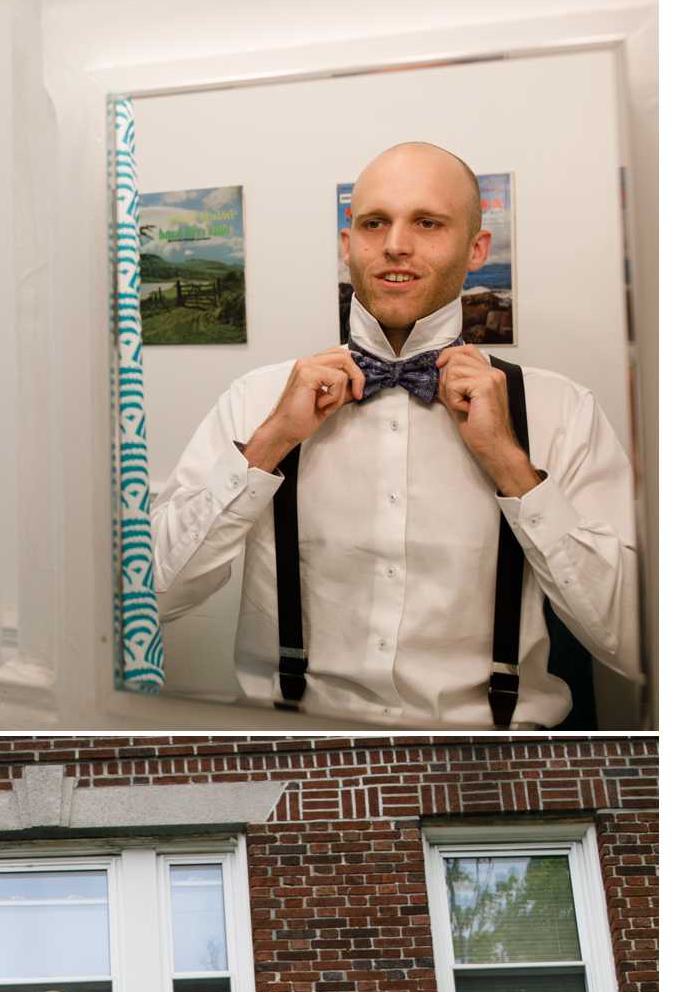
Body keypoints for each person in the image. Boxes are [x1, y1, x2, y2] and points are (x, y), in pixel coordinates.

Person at [151, 143, 641, 729]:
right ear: (347, 243)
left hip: (496, 759)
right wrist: (268, 446)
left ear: (476, 248)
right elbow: (152, 600)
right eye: (373, 222)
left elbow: (635, 645)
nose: (395, 245)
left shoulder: (561, 410)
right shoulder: (255, 400)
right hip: (297, 750)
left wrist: (510, 463)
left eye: (428, 222)